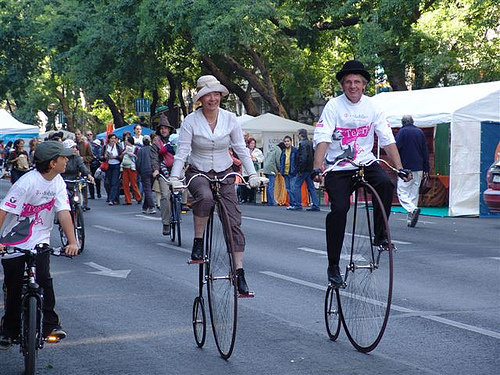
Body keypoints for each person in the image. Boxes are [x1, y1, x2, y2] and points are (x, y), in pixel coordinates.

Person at [312, 60, 411, 286]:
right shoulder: (333, 107)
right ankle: (333, 266)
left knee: (385, 184)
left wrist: (400, 167)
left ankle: (380, 235)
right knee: (339, 209)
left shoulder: (373, 107)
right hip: (339, 166)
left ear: (364, 85)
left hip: (364, 162)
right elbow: (322, 137)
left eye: (357, 82)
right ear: (342, 85)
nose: (353, 86)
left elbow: (386, 138)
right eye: (348, 82)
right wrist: (318, 168)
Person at [169, 75, 260, 295]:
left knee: (233, 221)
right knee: (206, 198)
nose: (212, 99)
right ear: (200, 98)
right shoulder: (190, 121)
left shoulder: (230, 119)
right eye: (207, 95)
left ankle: (239, 273)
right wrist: (174, 177)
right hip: (198, 170)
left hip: (225, 171)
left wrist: (252, 174)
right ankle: (198, 241)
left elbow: (240, 148)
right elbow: (182, 152)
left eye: (216, 94)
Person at [0, 141, 79, 350]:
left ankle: (50, 326)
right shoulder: (27, 183)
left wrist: (72, 241)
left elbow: (63, 212)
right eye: (63, 157)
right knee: (14, 285)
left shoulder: (58, 182)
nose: (67, 160)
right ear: (52, 163)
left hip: (39, 240)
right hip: (13, 239)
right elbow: (3, 211)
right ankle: (9, 330)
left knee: (44, 279)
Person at [396, 115, 430, 227]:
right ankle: (410, 219)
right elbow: (425, 151)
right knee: (414, 193)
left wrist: (397, 166)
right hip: (419, 166)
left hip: (405, 166)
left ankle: (412, 209)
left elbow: (397, 150)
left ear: (403, 122)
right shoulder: (419, 132)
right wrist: (426, 168)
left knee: (402, 191)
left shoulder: (401, 133)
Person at [150, 114, 176, 235]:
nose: (163, 130)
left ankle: (184, 204)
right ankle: (166, 223)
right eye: (161, 128)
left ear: (170, 129)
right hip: (163, 173)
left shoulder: (177, 140)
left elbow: (185, 153)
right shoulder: (156, 145)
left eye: (165, 128)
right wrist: (155, 170)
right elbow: (154, 159)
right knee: (165, 196)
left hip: (177, 171)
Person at [293, 128, 320, 211]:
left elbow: (303, 158)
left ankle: (298, 204)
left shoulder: (302, 144)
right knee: (311, 186)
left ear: (300, 135)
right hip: (309, 168)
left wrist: (300, 169)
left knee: (296, 185)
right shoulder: (310, 143)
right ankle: (315, 204)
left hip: (304, 169)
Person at [75, 130, 94, 210]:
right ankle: (76, 203)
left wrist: (83, 159)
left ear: (81, 135)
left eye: (78, 134)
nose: (77, 136)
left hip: (84, 168)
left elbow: (91, 156)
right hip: (75, 169)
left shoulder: (86, 144)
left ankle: (85, 204)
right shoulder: (73, 144)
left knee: (84, 187)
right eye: (76, 134)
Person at [136, 135, 156, 214]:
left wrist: (139, 171)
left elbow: (138, 162)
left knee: (147, 190)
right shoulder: (152, 149)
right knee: (149, 189)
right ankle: (145, 207)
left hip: (144, 171)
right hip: (152, 170)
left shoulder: (140, 150)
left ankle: (151, 206)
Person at [241, 138, 263, 204]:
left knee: (253, 185)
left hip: (254, 170)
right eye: (251, 143)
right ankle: (244, 198)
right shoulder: (245, 150)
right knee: (245, 184)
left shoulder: (258, 151)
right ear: (248, 144)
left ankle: (252, 199)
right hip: (245, 170)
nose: (252, 145)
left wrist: (255, 159)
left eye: (253, 143)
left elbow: (261, 158)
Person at [102, 133, 123, 205]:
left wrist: (115, 157)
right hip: (108, 166)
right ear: (109, 139)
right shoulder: (105, 147)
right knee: (109, 183)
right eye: (112, 138)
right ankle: (115, 198)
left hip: (116, 165)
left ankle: (111, 199)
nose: (113, 140)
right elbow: (101, 156)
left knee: (114, 182)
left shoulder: (118, 147)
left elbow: (121, 156)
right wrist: (105, 157)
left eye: (114, 138)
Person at [120, 136, 142, 205]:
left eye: (126, 140)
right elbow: (120, 157)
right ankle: (128, 200)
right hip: (124, 167)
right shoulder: (125, 148)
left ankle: (138, 197)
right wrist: (124, 153)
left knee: (133, 184)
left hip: (132, 167)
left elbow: (137, 157)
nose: (125, 142)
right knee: (125, 184)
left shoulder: (136, 148)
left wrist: (131, 154)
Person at [280, 135, 298, 209]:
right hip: (285, 172)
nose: (286, 143)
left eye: (288, 141)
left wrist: (295, 170)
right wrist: (281, 170)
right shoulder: (284, 151)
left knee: (293, 188)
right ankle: (291, 203)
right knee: (288, 189)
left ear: (291, 142)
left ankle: (295, 203)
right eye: (285, 141)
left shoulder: (295, 150)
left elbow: (297, 161)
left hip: (292, 172)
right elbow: (281, 161)